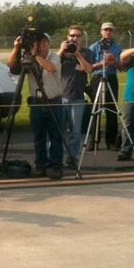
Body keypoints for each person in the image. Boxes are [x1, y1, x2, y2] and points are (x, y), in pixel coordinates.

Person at [7, 32, 64, 179]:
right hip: (36, 103)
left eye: (44, 41)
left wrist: (34, 55)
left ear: (49, 44)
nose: (41, 44)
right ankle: (40, 165)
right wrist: (16, 48)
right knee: (39, 137)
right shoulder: (28, 59)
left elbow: (50, 68)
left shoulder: (54, 56)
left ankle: (56, 165)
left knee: (56, 136)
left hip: (53, 101)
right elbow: (12, 68)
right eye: (39, 42)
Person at [58, 25, 94, 167]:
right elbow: (51, 67)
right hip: (60, 96)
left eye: (78, 36)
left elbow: (89, 70)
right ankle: (55, 158)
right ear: (68, 37)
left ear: (81, 38)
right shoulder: (62, 53)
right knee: (57, 130)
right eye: (72, 35)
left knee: (75, 132)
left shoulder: (87, 52)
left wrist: (78, 55)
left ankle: (72, 158)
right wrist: (61, 50)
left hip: (78, 97)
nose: (74, 38)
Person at [87, 22, 123, 150]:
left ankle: (111, 141)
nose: (108, 32)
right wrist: (101, 63)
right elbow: (89, 67)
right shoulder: (93, 47)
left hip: (111, 77)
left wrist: (114, 60)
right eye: (105, 30)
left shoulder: (117, 47)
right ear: (101, 31)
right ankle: (93, 141)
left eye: (110, 30)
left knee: (111, 109)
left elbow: (121, 68)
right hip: (97, 78)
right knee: (95, 109)